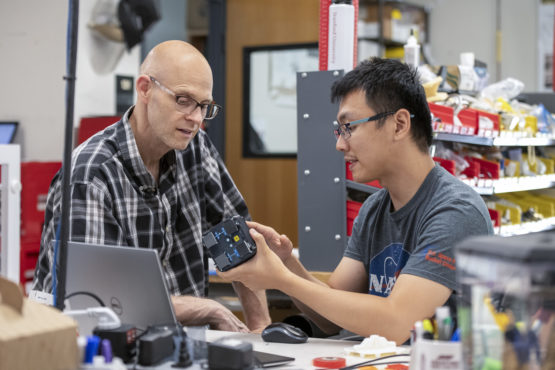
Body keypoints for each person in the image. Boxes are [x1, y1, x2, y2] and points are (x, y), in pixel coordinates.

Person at [219, 57, 494, 344]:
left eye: (349, 127)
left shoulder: (456, 211)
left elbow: (398, 322)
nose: (340, 144)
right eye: (340, 130)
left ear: (399, 124)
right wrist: (286, 264)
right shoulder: (374, 209)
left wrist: (281, 279)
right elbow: (329, 313)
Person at [32, 40, 271, 333]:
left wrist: (261, 329)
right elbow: (97, 302)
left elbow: (236, 240)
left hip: (182, 345)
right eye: (183, 100)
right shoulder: (91, 175)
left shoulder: (195, 148)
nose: (196, 118)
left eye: (204, 106)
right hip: (102, 349)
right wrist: (208, 308)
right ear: (145, 88)